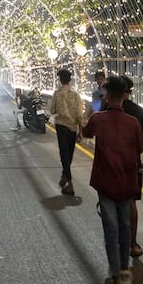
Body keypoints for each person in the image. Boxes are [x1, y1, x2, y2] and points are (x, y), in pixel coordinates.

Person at [80, 76, 142, 284]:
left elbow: (85, 133)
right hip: (127, 182)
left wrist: (81, 120)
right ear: (124, 96)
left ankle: (115, 282)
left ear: (107, 96)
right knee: (125, 227)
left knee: (111, 230)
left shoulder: (98, 119)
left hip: (106, 183)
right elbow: (138, 149)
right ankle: (125, 270)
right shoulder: (133, 123)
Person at [119, 78, 143, 257]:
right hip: (132, 164)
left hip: (111, 165)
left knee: (111, 202)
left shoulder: (106, 110)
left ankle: (117, 241)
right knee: (131, 203)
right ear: (129, 91)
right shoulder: (137, 111)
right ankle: (132, 243)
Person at [46, 67, 86, 195]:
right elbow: (80, 114)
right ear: (70, 80)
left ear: (60, 80)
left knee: (64, 154)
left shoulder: (57, 93)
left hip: (61, 126)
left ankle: (70, 184)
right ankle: (65, 176)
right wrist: (81, 131)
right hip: (73, 128)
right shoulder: (76, 95)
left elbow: (52, 110)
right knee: (69, 153)